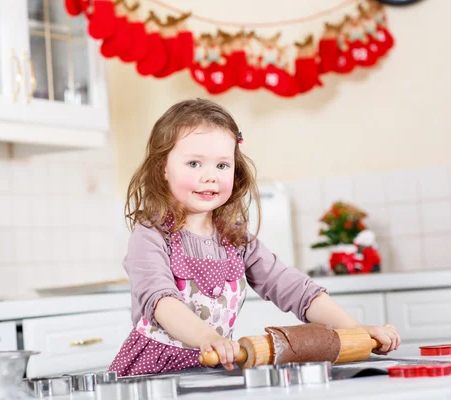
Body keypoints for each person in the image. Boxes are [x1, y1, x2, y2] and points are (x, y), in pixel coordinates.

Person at [109, 98, 400, 377]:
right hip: (155, 373)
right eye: (194, 164)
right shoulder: (150, 235)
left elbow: (294, 288)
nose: (210, 176)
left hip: (213, 368)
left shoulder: (236, 239)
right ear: (163, 168)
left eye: (222, 165)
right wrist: (209, 338)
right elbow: (161, 301)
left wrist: (356, 333)